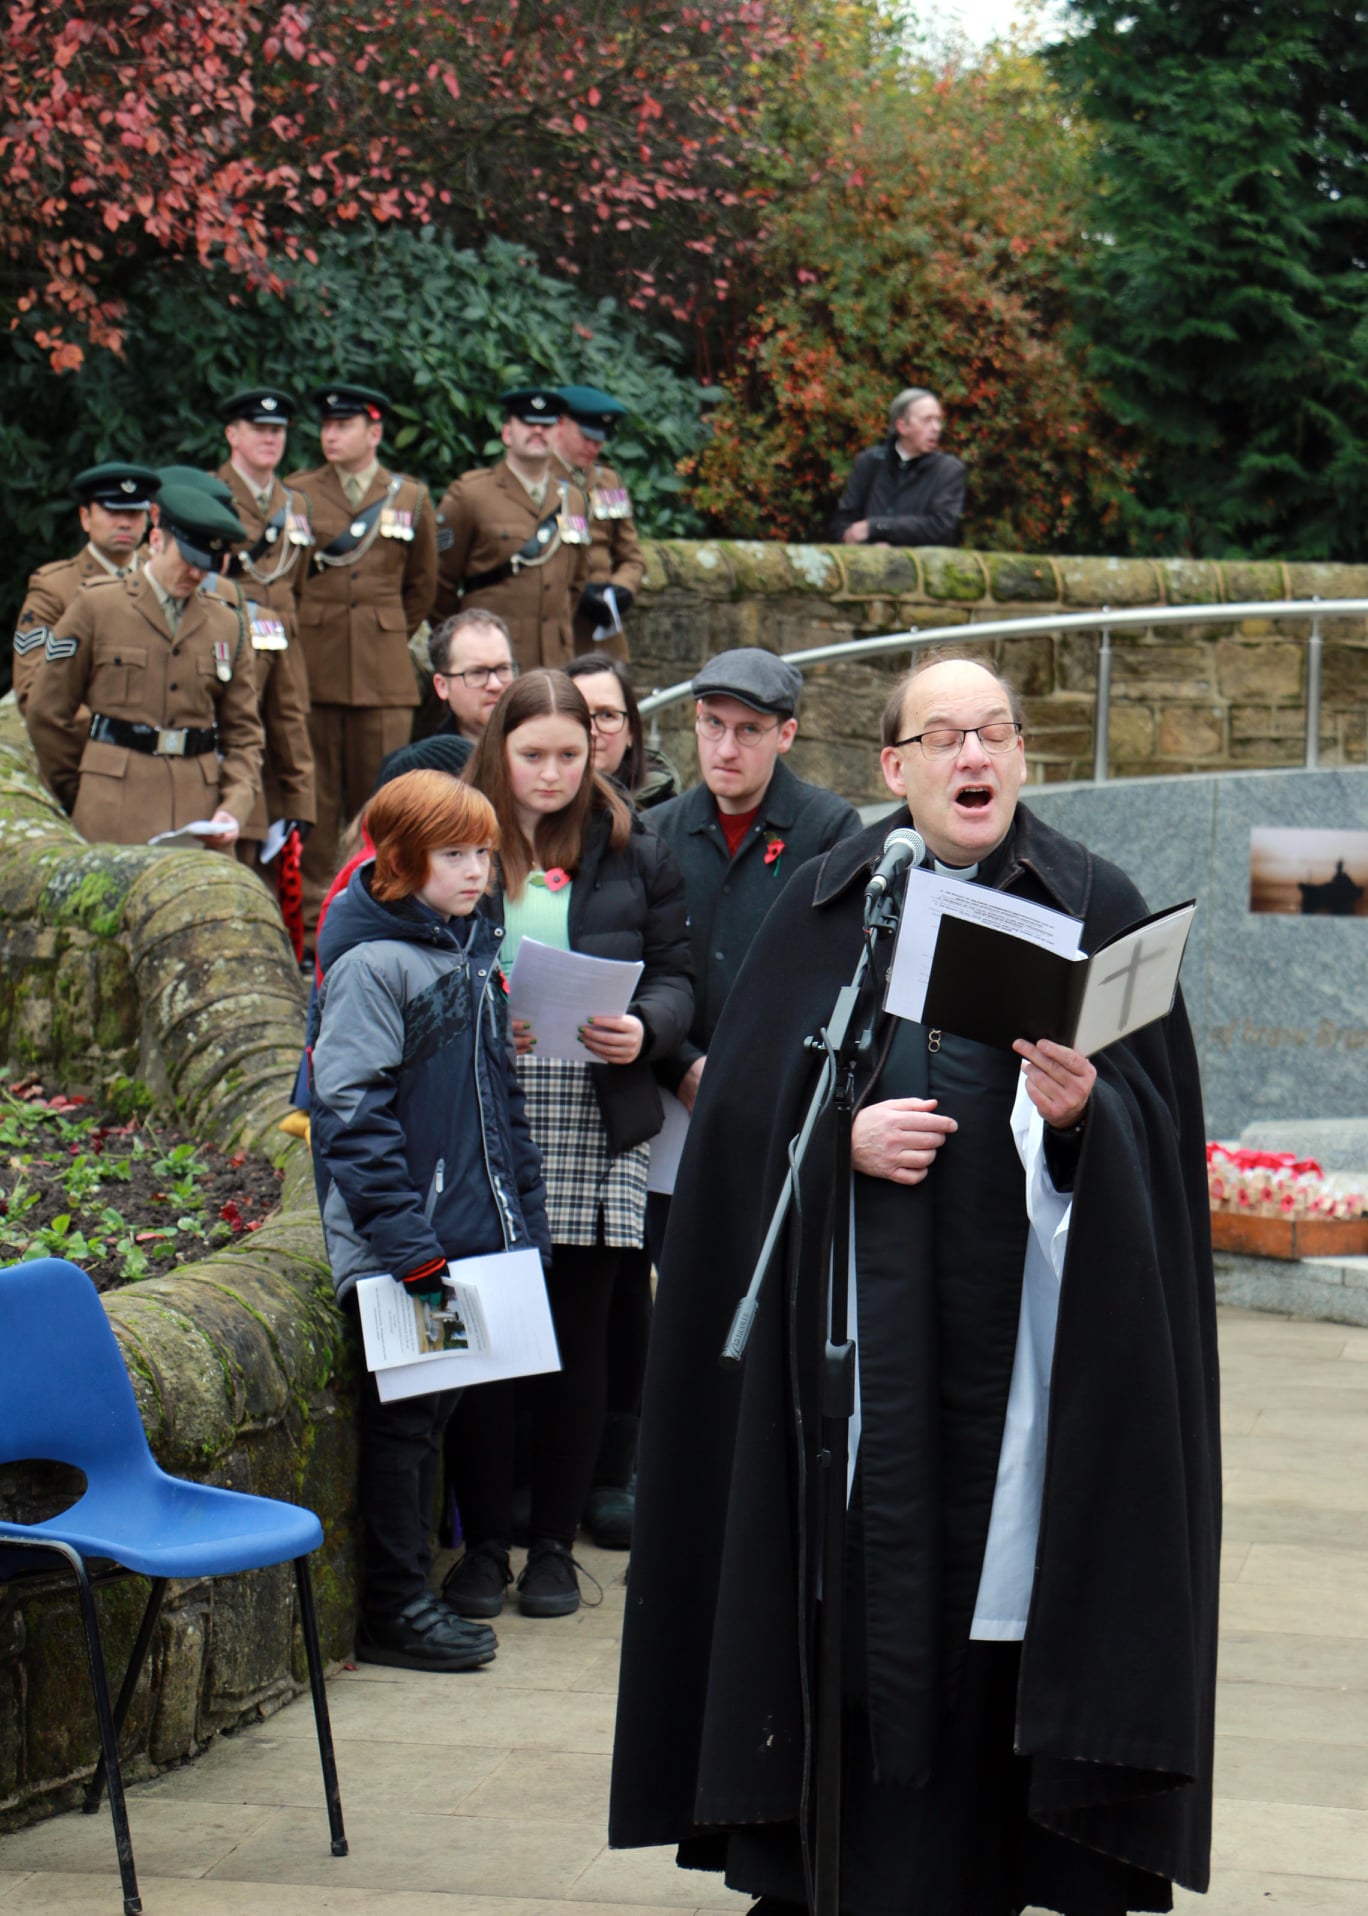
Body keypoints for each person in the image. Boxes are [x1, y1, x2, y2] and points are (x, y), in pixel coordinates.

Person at [610, 655, 1221, 1915]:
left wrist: (1080, 1125)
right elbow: (735, 1131)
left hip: (1024, 1383)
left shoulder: (1095, 901)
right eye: (942, 737)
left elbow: (1158, 1157)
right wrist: (836, 1144)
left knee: (992, 1627)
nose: (973, 756)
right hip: (857, 1379)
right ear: (894, 768)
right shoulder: (836, 902)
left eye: (993, 731)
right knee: (852, 1622)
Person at [442, 668, 692, 1617]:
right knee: (488, 1327)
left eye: (570, 754)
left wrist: (649, 1030)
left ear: (598, 752)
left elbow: (675, 975)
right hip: (488, 1096)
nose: (551, 774)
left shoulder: (635, 846)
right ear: (499, 751)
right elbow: (420, 949)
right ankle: (484, 1549)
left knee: (577, 1333)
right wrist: (477, 1011)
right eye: (533, 754)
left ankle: (553, 1546)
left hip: (598, 1099)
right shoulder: (461, 834)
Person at [309, 769, 550, 1671]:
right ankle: (394, 1607)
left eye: (484, 852)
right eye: (454, 854)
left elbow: (499, 1103)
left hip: (468, 1241)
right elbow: (350, 1117)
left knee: (438, 1415)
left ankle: (410, 1595)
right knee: (405, 1426)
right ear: (400, 861)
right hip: (411, 1249)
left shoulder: (466, 953)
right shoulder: (374, 966)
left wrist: (523, 1219)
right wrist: (409, 1249)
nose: (476, 870)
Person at [650, 648, 861, 1124]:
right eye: (713, 724)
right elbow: (639, 960)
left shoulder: (830, 828)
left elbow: (836, 975)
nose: (726, 748)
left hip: (780, 1097)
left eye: (748, 730)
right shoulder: (655, 829)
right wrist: (680, 1064)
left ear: (785, 735)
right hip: (667, 1096)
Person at [26, 484, 264, 850]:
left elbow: (245, 734)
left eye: (206, 566)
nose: (196, 574)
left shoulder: (227, 623)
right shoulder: (97, 606)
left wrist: (233, 808)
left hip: (198, 816)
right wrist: (85, 785)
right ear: (156, 540)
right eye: (187, 559)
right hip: (110, 809)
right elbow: (47, 710)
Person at [288, 382, 438, 926]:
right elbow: (289, 580)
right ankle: (310, 924)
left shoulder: (410, 497)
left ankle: (381, 910)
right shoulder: (297, 494)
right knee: (317, 804)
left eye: (344, 425)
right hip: (313, 668)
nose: (331, 434)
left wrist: (383, 631)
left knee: (384, 803)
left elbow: (422, 587)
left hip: (383, 676)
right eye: (326, 426)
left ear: (373, 432)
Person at [214, 386, 317, 870]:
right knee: (238, 738)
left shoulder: (295, 503)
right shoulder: (212, 496)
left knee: (292, 738)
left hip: (285, 642)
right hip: (232, 638)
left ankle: (294, 831)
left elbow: (299, 579)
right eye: (258, 429)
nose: (270, 439)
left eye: (277, 431)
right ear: (233, 434)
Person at [432, 388, 590, 672]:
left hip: (554, 663)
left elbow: (575, 584)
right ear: (507, 433)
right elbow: (438, 582)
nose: (538, 430)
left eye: (547, 425)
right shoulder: (470, 494)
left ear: (558, 436)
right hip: (488, 665)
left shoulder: (573, 500)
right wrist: (464, 641)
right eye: (528, 423)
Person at [13, 462, 159, 715]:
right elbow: (34, 691)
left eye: (135, 513)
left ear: (149, 519)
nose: (125, 523)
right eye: (112, 512)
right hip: (91, 742)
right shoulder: (55, 588)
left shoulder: (163, 579)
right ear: (85, 518)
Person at [550, 384, 645, 661]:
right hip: (558, 624)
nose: (595, 447)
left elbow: (631, 557)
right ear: (560, 425)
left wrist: (623, 588)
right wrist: (579, 595)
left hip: (602, 631)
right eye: (586, 437)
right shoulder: (540, 480)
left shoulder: (608, 482)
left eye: (601, 440)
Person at [829, 387, 965, 548]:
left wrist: (876, 527)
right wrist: (864, 546)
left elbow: (940, 527)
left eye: (938, 420)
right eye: (927, 420)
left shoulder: (948, 470)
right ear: (902, 426)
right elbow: (842, 522)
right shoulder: (869, 462)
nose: (936, 428)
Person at [563, 652, 679, 811]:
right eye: (577, 713)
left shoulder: (664, 816)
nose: (592, 731)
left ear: (630, 732)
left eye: (607, 715)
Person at [423, 607, 520, 774]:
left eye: (503, 669)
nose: (495, 684)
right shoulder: (420, 767)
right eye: (477, 672)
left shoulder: (547, 750)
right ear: (442, 686)